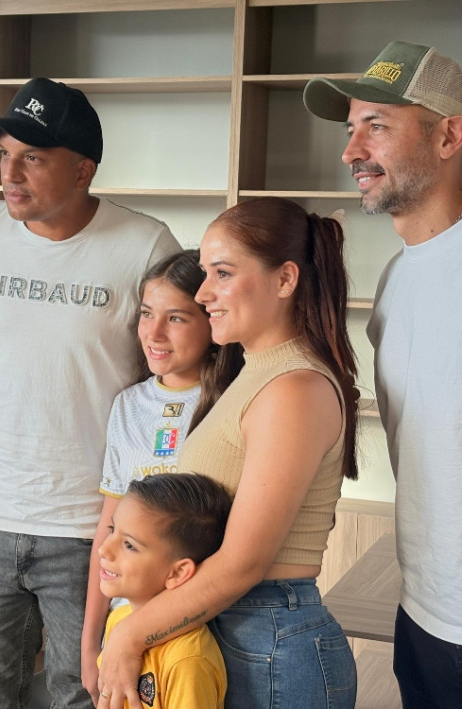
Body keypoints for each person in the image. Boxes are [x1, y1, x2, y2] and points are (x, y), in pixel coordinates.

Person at [0, 77, 180, 709]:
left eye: (33, 158)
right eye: (4, 155)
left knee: (85, 692)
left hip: (91, 524)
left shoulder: (144, 244)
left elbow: (176, 367)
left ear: (83, 170)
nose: (9, 173)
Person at [303, 41, 462, 709]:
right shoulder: (397, 277)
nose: (351, 151)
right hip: (424, 608)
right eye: (350, 128)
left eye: (377, 126)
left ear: (449, 135)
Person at [96, 196, 359, 709]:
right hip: (237, 627)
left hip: (271, 640)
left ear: (285, 280)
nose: (203, 293)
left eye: (222, 273)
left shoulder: (294, 387)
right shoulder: (258, 371)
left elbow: (244, 562)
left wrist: (131, 634)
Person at [80, 249, 242, 698]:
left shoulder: (232, 404)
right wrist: (90, 642)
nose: (154, 333)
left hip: (203, 624)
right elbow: (108, 528)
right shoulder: (128, 405)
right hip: (125, 618)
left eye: (176, 318)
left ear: (212, 322)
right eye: (147, 314)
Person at [97, 473, 231, 709]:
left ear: (177, 573)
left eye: (129, 545)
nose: (103, 549)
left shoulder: (188, 659)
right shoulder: (118, 619)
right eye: (112, 529)